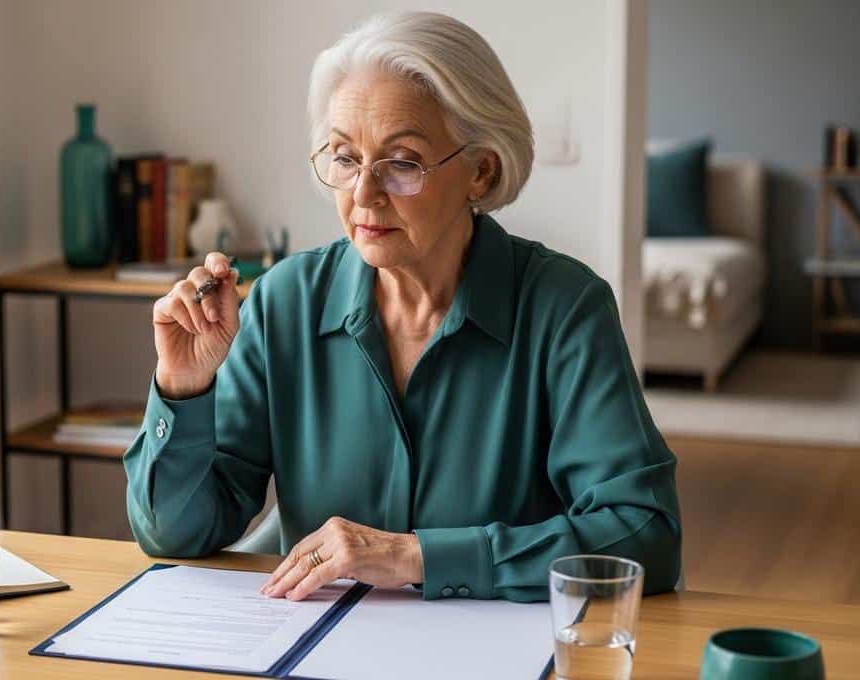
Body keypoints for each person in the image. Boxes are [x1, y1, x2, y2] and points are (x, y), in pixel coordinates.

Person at [123, 11, 681, 603]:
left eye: (402, 162)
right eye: (344, 157)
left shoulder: (565, 309)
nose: (364, 193)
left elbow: (644, 534)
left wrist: (416, 555)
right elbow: (173, 536)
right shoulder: (283, 301)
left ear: (480, 170)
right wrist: (181, 391)